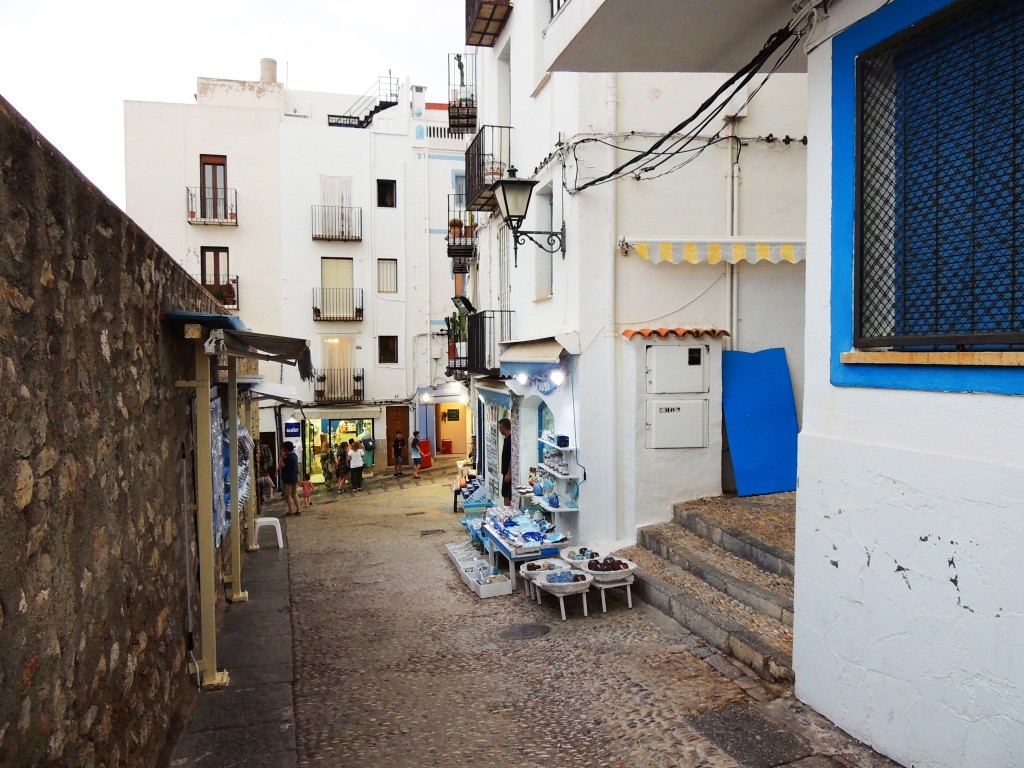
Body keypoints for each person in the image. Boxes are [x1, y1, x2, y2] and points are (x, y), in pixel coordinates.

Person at [278, 441, 300, 516]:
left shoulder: (289, 457)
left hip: (288, 479)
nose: (283, 449)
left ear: (286, 449)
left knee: (288, 495)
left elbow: (281, 465)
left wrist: (281, 456)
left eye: (284, 448)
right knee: (294, 494)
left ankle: (291, 510)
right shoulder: (294, 456)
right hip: (294, 477)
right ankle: (298, 510)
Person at [498, 418, 512, 506]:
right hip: (505, 472)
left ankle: (507, 512)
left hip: (508, 473)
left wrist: (509, 473)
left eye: (500, 427)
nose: (499, 429)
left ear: (504, 428)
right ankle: (505, 511)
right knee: (504, 493)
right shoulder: (506, 439)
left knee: (507, 494)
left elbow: (512, 458)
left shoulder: (510, 440)